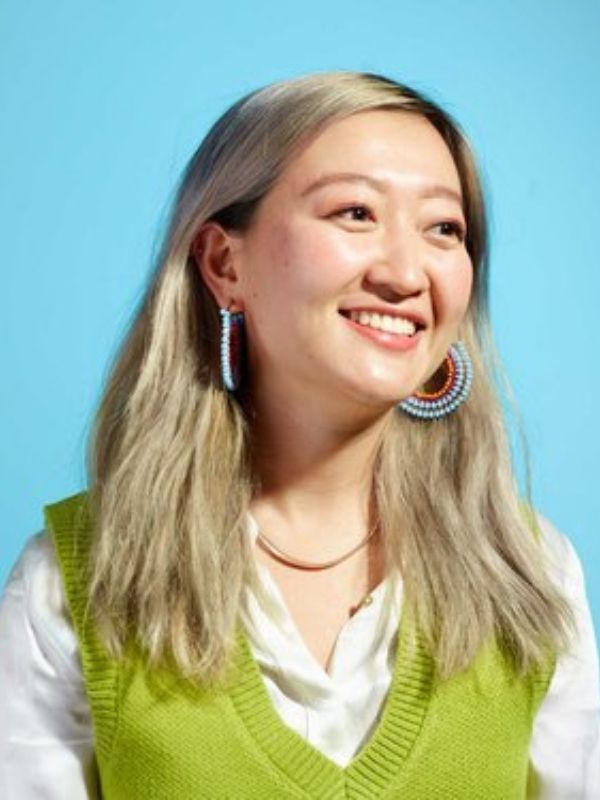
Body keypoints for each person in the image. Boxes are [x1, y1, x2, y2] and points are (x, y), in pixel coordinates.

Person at [0, 71, 598, 798]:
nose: (408, 273)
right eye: (354, 212)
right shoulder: (70, 587)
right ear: (224, 264)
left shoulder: (535, 578)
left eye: (444, 228)